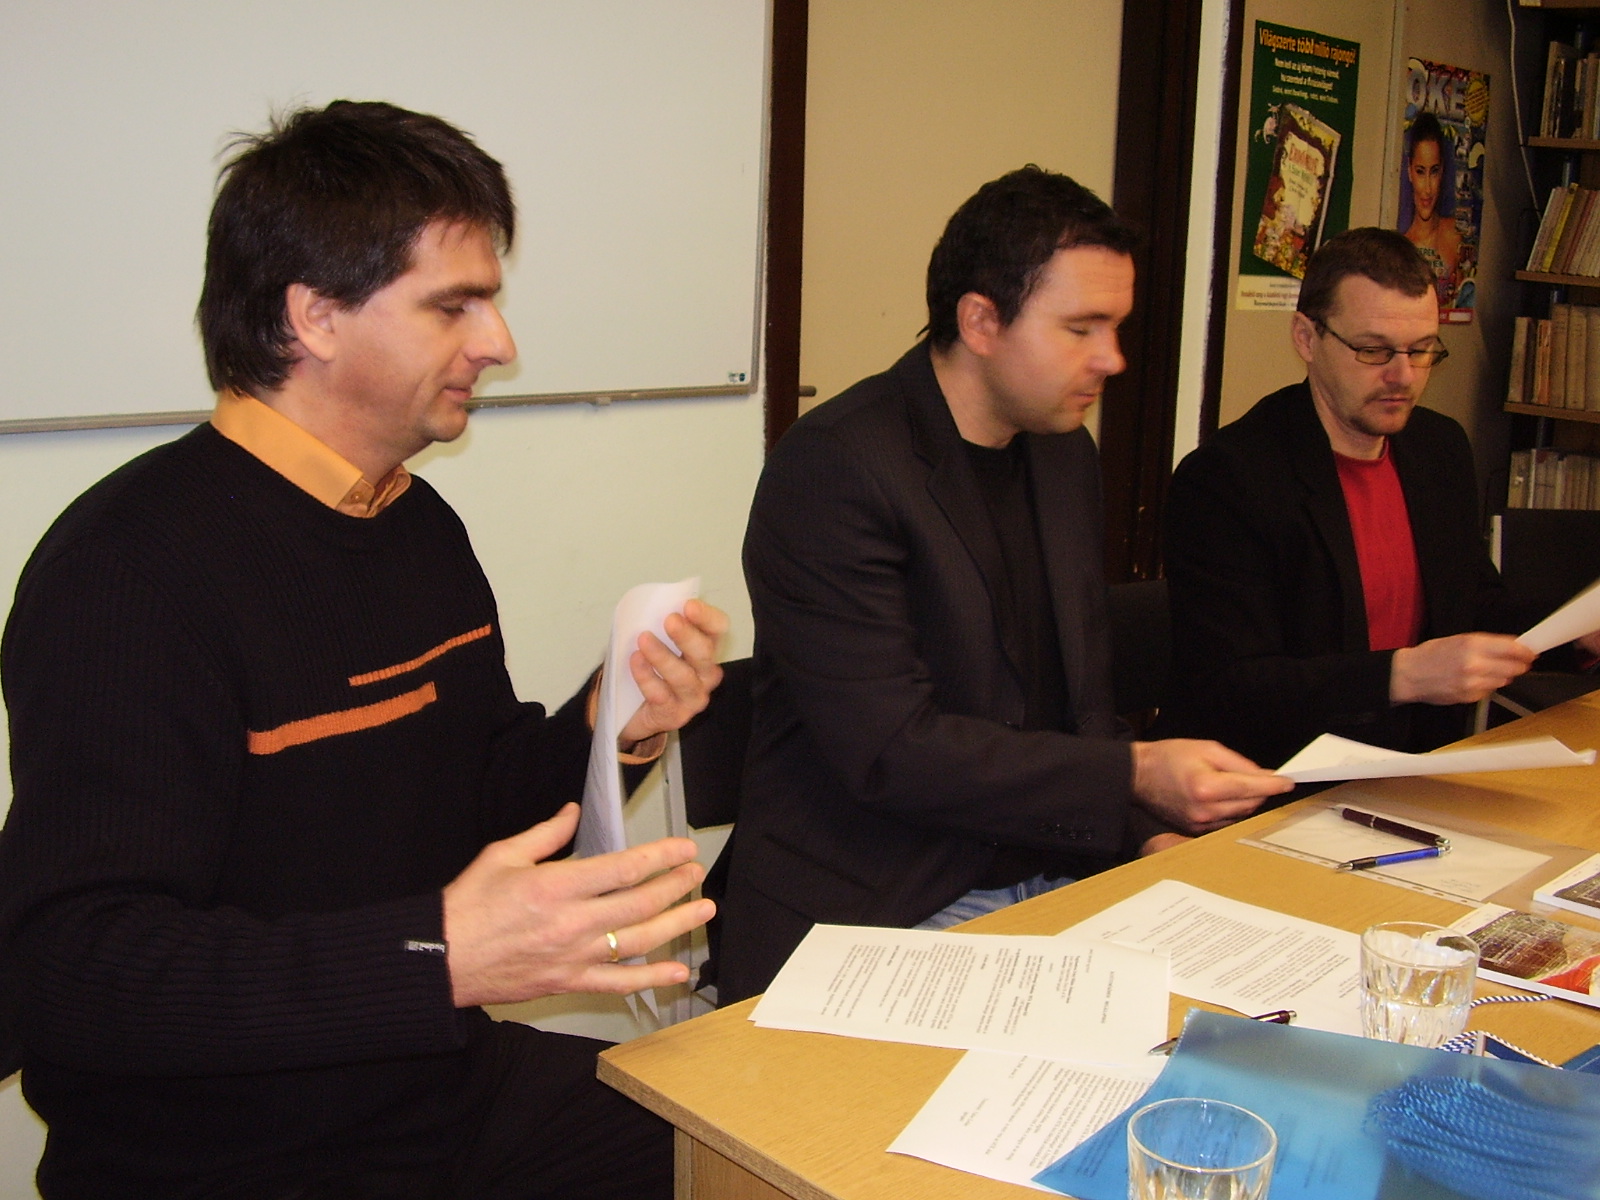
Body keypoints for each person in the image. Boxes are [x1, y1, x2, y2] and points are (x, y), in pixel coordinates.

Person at [0, 100, 727, 1200]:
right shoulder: (128, 572)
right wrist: (436, 955)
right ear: (316, 317)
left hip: (441, 1091)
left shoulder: (415, 524)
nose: (499, 344)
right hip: (229, 1155)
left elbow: (482, 800)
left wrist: (608, 724)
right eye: (454, 305)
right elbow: (74, 970)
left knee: (756, 1148)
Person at [714, 167, 1291, 1005]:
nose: (1113, 359)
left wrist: (1145, 837)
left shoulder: (1062, 452)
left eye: (1116, 327)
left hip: (1052, 867)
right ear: (981, 321)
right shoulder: (838, 468)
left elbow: (1080, 707)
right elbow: (891, 751)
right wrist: (1133, 775)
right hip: (883, 901)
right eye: (1082, 329)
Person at [1161, 226, 1554, 771]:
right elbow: (1232, 684)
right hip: (1275, 777)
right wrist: (1402, 675)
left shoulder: (1438, 448)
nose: (1403, 376)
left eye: (1422, 350)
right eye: (1373, 351)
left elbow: (1472, 604)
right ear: (1307, 338)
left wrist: (1574, 633)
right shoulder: (1229, 478)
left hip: (1415, 768)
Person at [1401, 113, 1463, 308]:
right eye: (1420, 172)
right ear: (1410, 171)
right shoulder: (1402, 249)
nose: (1427, 189)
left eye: (1434, 171)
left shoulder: (1456, 235)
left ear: (1442, 171)